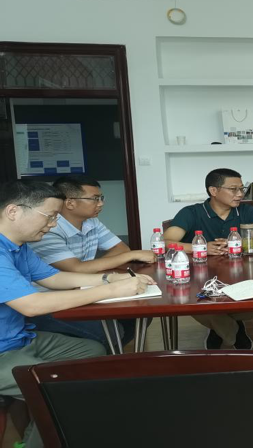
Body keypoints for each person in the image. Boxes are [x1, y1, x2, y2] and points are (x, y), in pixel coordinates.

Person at [0, 181, 153, 448]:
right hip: (3, 351)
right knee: (60, 393)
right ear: (14, 211)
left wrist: (109, 279)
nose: (53, 225)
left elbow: (54, 278)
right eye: (50, 216)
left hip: (19, 339)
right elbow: (31, 305)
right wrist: (110, 290)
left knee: (91, 351)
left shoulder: (18, 246)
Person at [28, 176, 156, 348]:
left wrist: (93, 270)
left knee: (139, 314)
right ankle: (106, 355)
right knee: (110, 332)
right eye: (95, 198)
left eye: (101, 198)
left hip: (82, 288)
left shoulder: (91, 222)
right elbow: (75, 268)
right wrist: (130, 255)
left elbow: (120, 249)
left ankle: (110, 354)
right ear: (70, 203)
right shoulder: (48, 229)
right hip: (51, 300)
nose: (101, 203)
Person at [164, 168, 253, 350]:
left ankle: (218, 328)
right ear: (213, 191)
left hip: (243, 276)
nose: (240, 194)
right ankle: (235, 332)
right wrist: (201, 247)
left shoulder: (248, 211)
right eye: (233, 189)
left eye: (241, 189)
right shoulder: (191, 212)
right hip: (201, 281)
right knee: (193, 301)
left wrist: (236, 243)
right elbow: (166, 242)